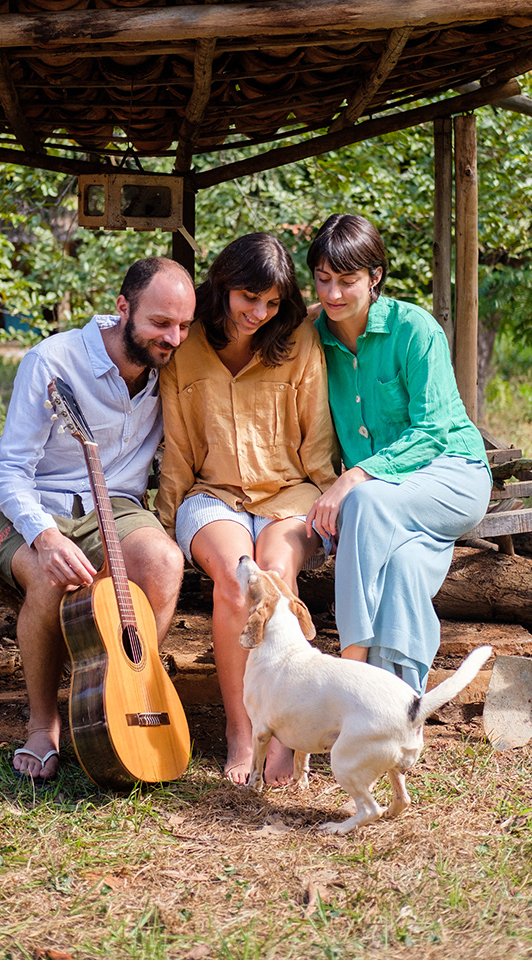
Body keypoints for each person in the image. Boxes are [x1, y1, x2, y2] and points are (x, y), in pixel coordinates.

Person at [0, 257, 196, 782]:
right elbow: (10, 470)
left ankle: (123, 693)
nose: (174, 338)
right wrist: (45, 537)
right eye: (161, 322)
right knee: (51, 579)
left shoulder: (174, 367)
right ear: (123, 308)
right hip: (20, 503)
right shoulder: (55, 360)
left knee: (164, 563)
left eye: (184, 325)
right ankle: (43, 723)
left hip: (110, 505)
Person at [155, 233, 338, 785]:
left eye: (272, 302)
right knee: (239, 584)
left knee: (276, 575)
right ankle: (240, 730)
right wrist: (165, 523)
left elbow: (317, 443)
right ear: (223, 286)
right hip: (213, 495)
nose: (259, 313)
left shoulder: (299, 340)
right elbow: (178, 451)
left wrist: (335, 506)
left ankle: (283, 733)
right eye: (248, 298)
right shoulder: (186, 346)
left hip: (290, 493)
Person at [305, 214, 492, 695]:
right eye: (323, 280)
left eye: (347, 281)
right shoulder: (313, 337)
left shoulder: (414, 329)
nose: (333, 294)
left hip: (452, 474)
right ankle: (400, 702)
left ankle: (350, 670)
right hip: (390, 496)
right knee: (404, 569)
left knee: (363, 501)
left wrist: (354, 477)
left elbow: (432, 430)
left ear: (375, 277)